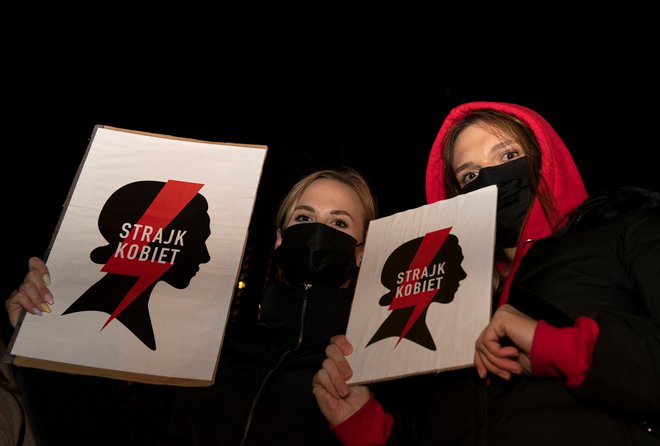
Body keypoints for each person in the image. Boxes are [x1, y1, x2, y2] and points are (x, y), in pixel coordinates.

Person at [313, 101, 660, 445]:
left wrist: (555, 346)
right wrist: (370, 428)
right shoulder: (444, 296)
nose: (490, 179)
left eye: (508, 156)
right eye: (470, 175)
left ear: (547, 156)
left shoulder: (624, 233)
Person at [4, 167, 384, 445]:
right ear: (280, 240)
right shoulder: (208, 347)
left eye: (339, 223)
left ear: (362, 252)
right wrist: (43, 346)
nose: (317, 233)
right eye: (304, 218)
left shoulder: (375, 368)